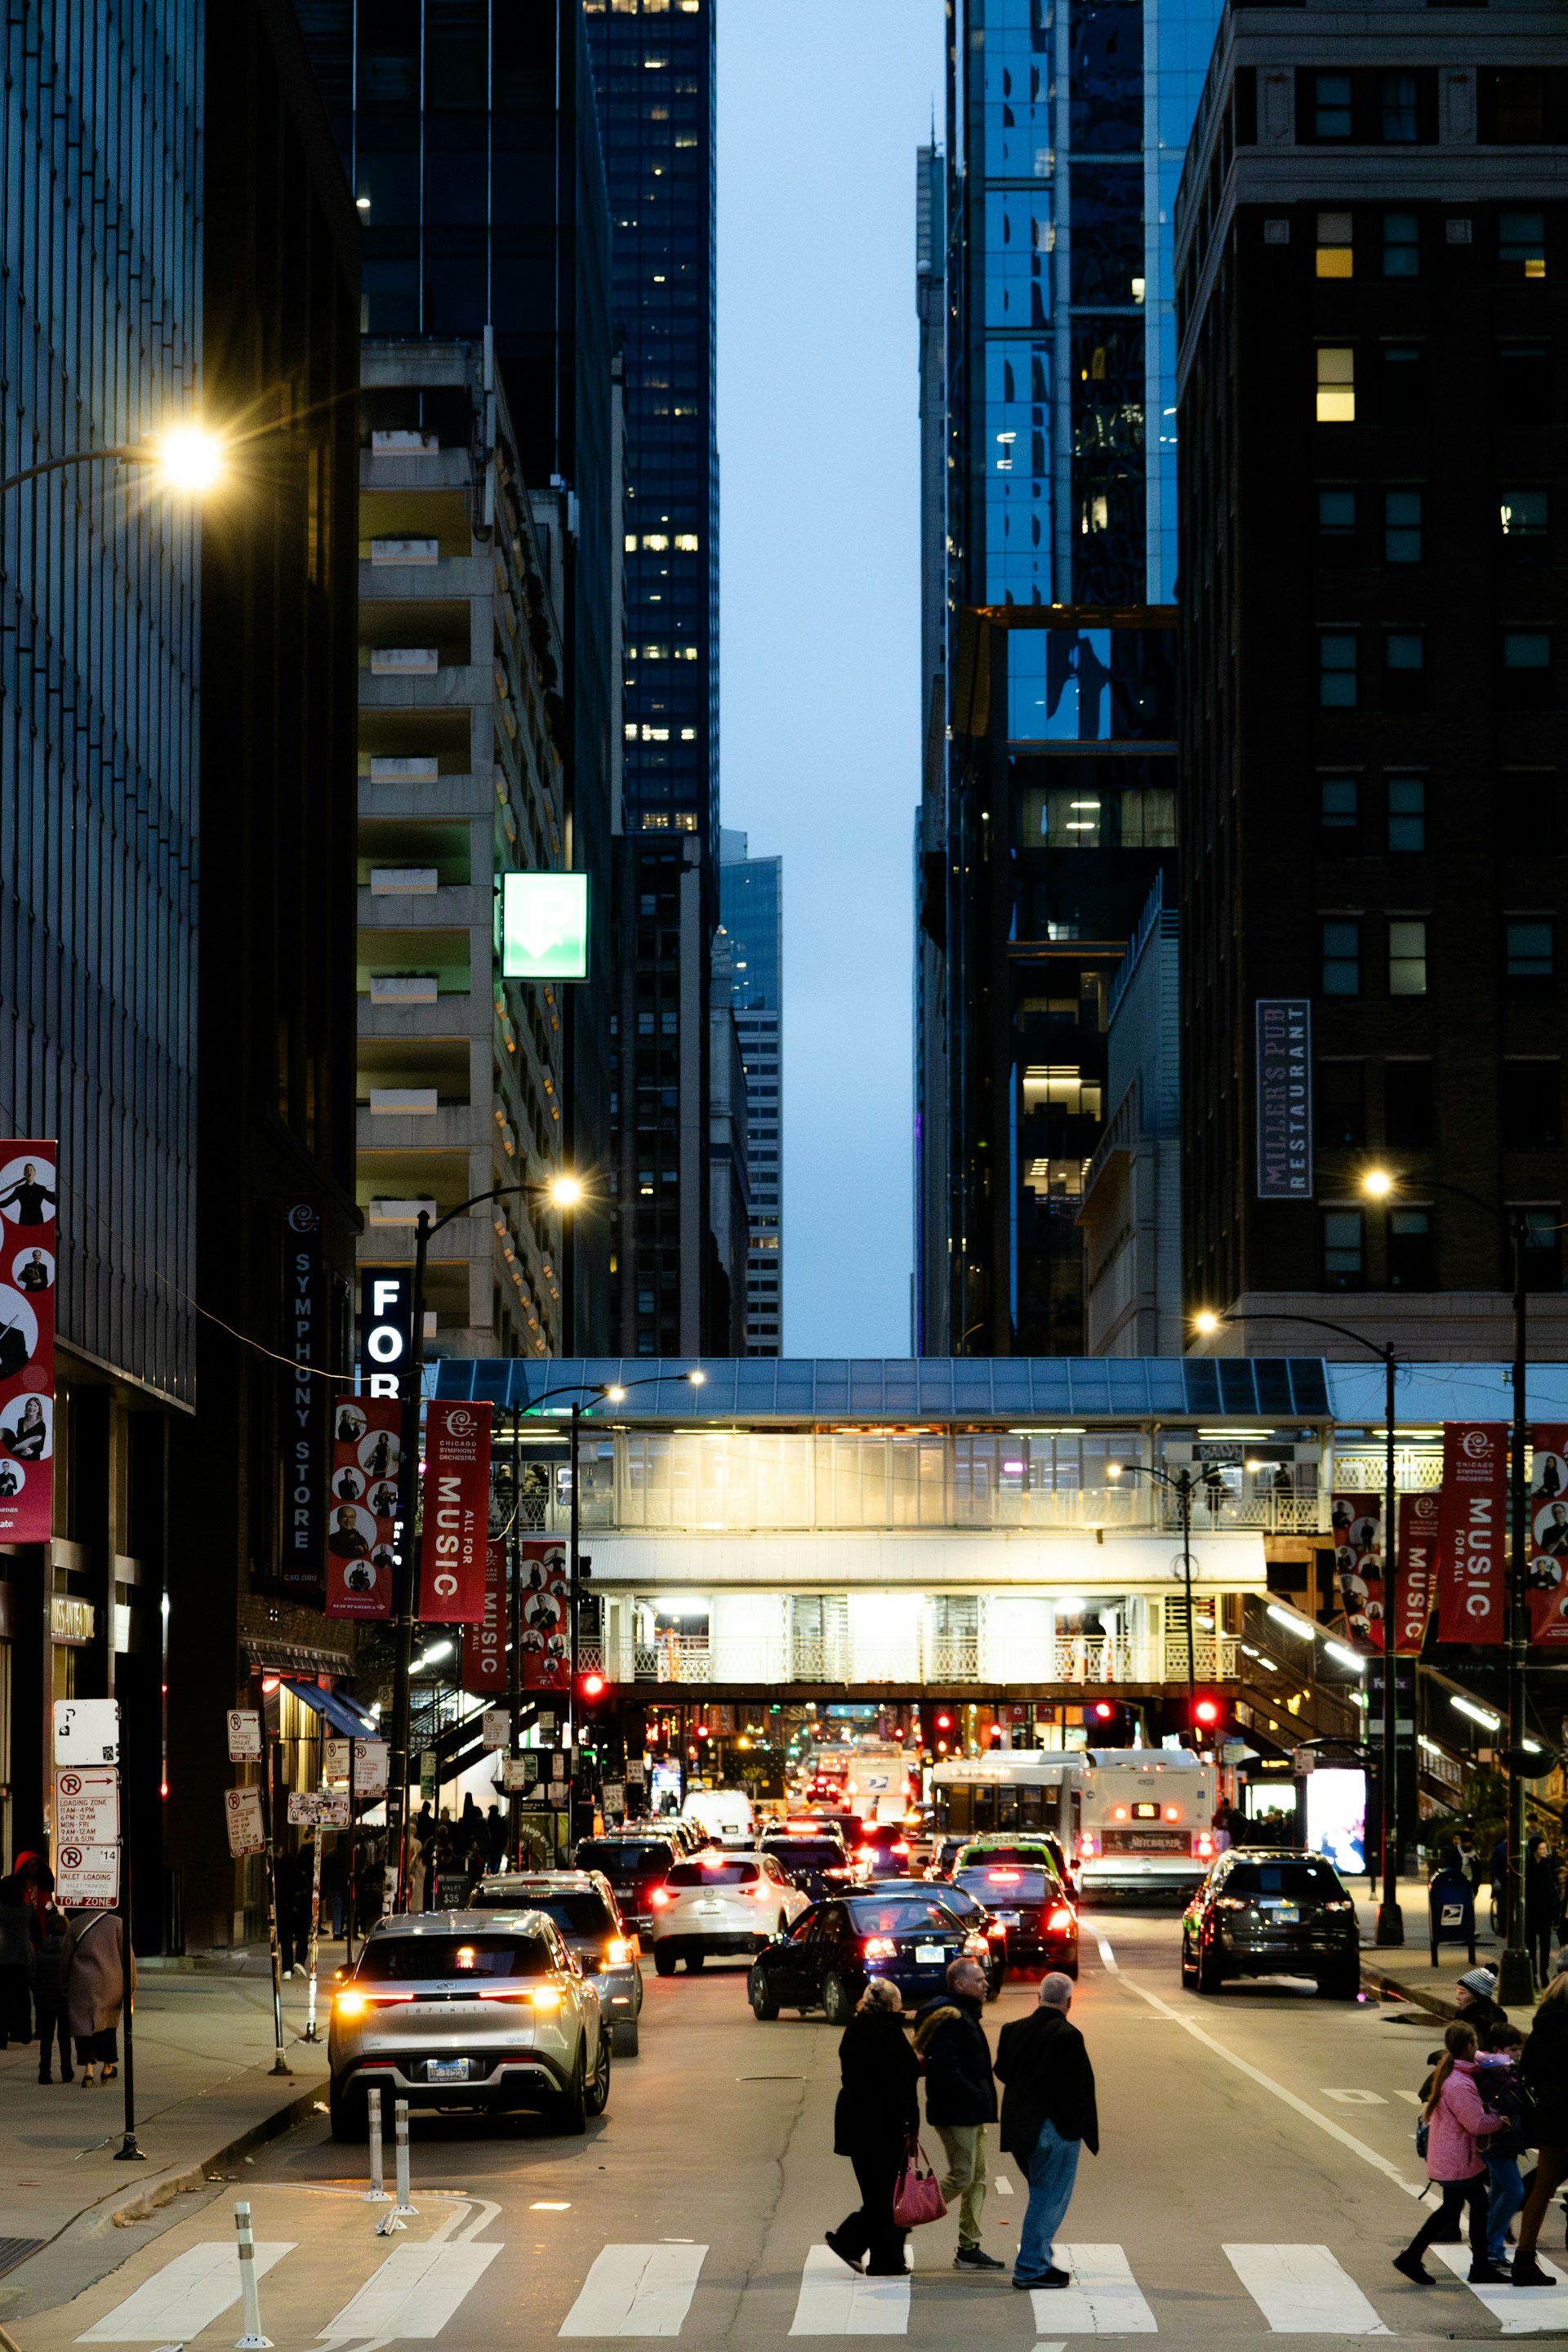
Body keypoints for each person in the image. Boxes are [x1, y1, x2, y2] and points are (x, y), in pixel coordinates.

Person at [997, 1971, 1098, 2290]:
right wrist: (1076, 2129)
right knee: (1047, 2198)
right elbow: (1075, 2089)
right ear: (1070, 2001)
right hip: (1052, 2131)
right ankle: (1030, 2268)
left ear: (1037, 1997)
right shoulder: (1067, 2035)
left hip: (1018, 2130)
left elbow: (1002, 2070)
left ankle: (1038, 2257)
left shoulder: (1011, 2030)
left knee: (1041, 2194)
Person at [1393, 2021, 1506, 2285]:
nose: (1479, 2049)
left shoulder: (1454, 2069)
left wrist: (1502, 2060)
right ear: (1467, 2046)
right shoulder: (1460, 2084)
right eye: (1475, 2044)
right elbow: (1476, 2124)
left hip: (1452, 2157)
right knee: (1476, 2205)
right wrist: (1500, 2122)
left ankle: (1412, 2257)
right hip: (1458, 2160)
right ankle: (1478, 2266)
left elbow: (1485, 2059)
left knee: (1455, 2207)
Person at [825, 1978, 920, 2279]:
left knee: (877, 2193)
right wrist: (910, 2125)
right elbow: (899, 2085)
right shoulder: (889, 2033)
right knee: (885, 2196)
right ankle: (848, 2242)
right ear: (893, 2005)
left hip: (854, 2120)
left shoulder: (855, 2030)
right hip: (882, 2125)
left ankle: (885, 2261)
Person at [912, 1956, 1003, 2270]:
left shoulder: (964, 2013)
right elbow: (945, 2068)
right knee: (963, 2175)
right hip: (956, 2111)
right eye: (979, 1980)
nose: (985, 1984)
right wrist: (975, 2094)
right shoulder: (950, 2018)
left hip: (970, 2110)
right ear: (960, 1984)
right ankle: (900, 2219)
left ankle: (969, 2247)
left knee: (977, 2178)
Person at [1509, 1960, 1568, 2285]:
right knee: (1545, 2188)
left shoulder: (1540, 2030)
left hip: (1550, 2118)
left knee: (1542, 2189)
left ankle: (1524, 2258)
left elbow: (1527, 2073)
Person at [62, 1906, 134, 2088]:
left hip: (82, 1982)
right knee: (107, 2023)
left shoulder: (76, 1925)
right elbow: (127, 1956)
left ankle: (88, 2071)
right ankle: (108, 2066)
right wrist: (131, 1984)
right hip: (110, 1982)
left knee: (83, 2023)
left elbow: (66, 1958)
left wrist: (63, 1985)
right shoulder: (118, 1924)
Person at [1476, 2023, 1526, 2270]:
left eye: (1519, 2049)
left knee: (1498, 2190)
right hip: (1497, 2140)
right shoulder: (1495, 2069)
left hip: (1504, 2140)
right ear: (1497, 2049)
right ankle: (1491, 2248)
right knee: (1515, 2191)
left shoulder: (1504, 2069)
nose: (1517, 2053)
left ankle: (1489, 2246)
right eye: (1513, 2049)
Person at [0, 1854, 40, 2044]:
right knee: (23, 1997)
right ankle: (22, 2033)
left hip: (3, 1955)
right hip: (23, 1956)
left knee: (3, 1997)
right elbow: (34, 1931)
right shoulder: (26, 1909)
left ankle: (2, 2036)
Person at [33, 1902, 72, 2083]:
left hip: (45, 2002)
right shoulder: (69, 1952)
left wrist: (39, 1992)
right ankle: (66, 2070)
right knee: (64, 2038)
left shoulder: (41, 1951)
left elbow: (32, 1976)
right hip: (64, 2000)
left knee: (46, 2039)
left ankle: (44, 2073)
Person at [1524, 1833, 1560, 1986]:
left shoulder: (1549, 1864)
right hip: (1531, 1910)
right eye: (1541, 1848)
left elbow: (1553, 1886)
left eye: (1545, 1848)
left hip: (1545, 1910)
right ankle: (1533, 1975)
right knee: (1531, 1945)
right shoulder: (1527, 1865)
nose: (1545, 1851)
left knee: (1545, 1944)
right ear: (1534, 1850)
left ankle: (1543, 1972)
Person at [1453, 1966, 1508, 2038]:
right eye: (1458, 1992)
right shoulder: (1463, 2016)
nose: (1457, 1997)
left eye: (1462, 1993)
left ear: (1477, 1997)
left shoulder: (1480, 2023)